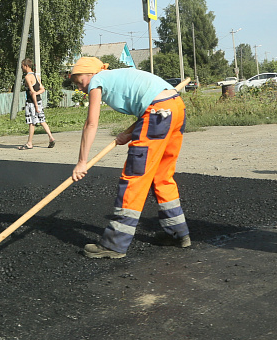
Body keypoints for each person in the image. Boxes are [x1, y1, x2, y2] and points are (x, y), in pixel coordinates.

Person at [68, 57, 190, 258]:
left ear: (90, 74)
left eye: (80, 82)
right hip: (175, 108)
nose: (81, 88)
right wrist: (129, 133)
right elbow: (154, 102)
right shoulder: (117, 75)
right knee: (162, 176)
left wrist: (82, 162)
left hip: (158, 112)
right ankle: (178, 234)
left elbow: (91, 124)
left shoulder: (97, 81)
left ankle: (114, 245)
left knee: (135, 177)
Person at [18, 59, 55, 150]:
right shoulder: (36, 76)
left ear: (26, 66)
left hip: (32, 103)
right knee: (42, 120)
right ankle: (51, 137)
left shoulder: (27, 77)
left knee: (31, 122)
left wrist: (35, 106)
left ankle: (29, 143)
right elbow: (42, 89)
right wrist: (37, 95)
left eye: (22, 66)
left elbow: (32, 92)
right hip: (39, 101)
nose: (21, 68)